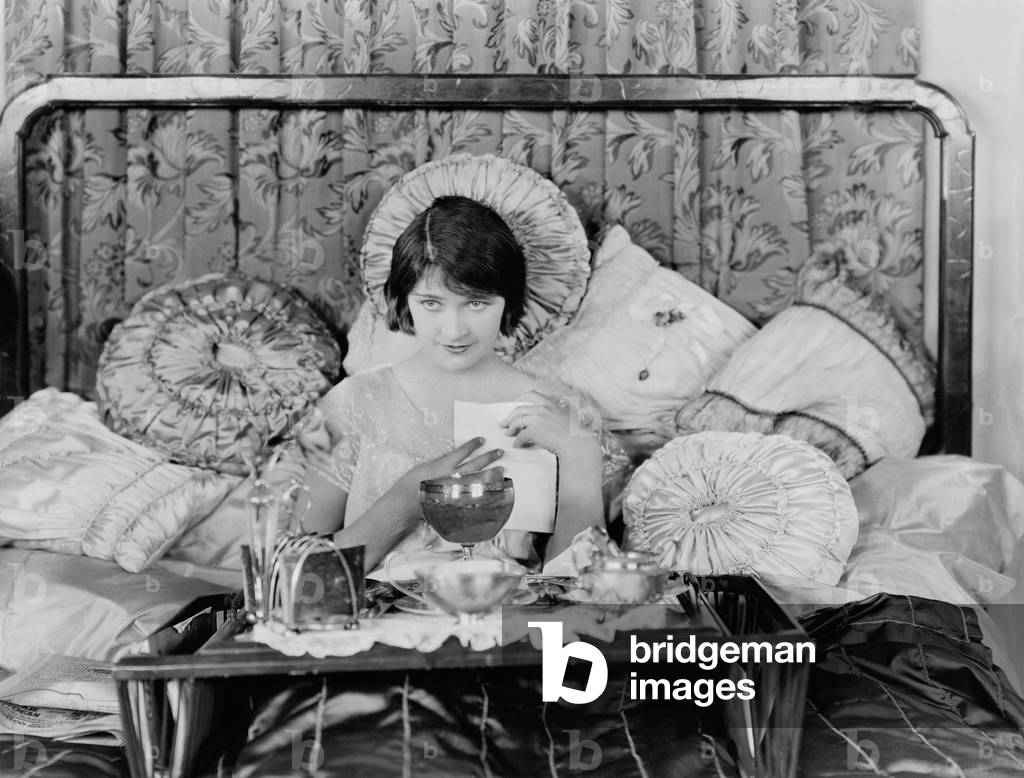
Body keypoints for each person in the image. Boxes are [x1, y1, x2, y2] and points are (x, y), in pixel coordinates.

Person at [296, 195, 619, 573]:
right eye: (432, 303)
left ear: (508, 302)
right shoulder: (354, 404)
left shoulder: (559, 408)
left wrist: (580, 457)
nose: (454, 330)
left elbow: (583, 589)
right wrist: (405, 501)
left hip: (509, 626)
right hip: (373, 628)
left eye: (476, 303)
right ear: (403, 301)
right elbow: (300, 574)